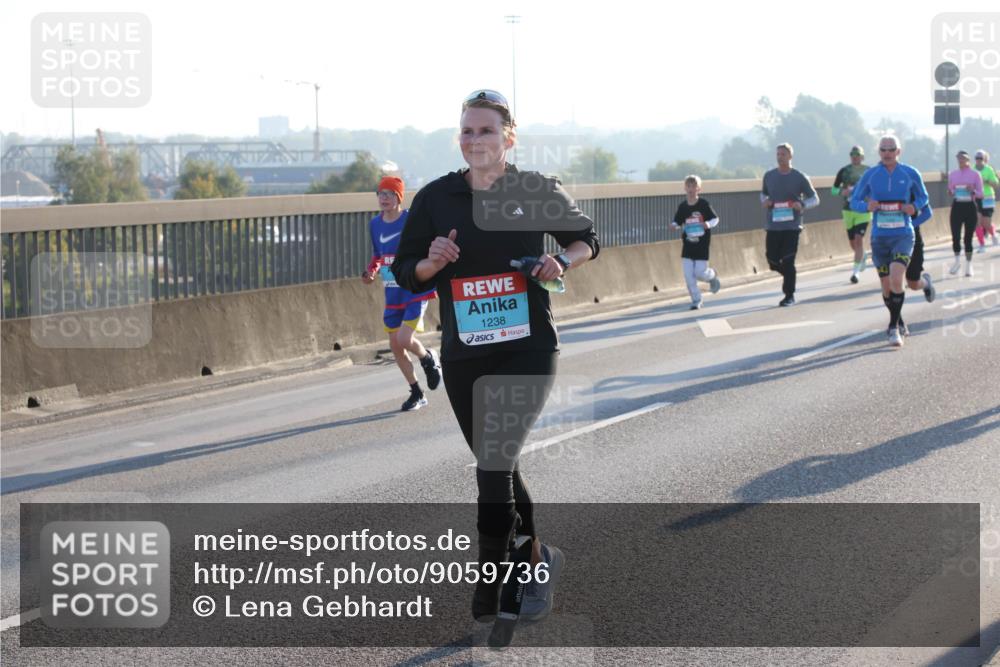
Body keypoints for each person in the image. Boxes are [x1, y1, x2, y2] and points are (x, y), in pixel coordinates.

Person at [391, 90, 598, 637]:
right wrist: (430, 263)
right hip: (466, 353)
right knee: (497, 465)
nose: (474, 140)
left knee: (494, 463)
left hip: (528, 348)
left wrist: (560, 260)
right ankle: (537, 559)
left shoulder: (536, 189)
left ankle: (491, 583)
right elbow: (404, 270)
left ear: (509, 137)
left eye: (485, 130)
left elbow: (586, 240)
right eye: (467, 130)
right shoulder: (436, 197)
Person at [362, 176, 441, 411]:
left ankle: (427, 358)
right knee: (396, 346)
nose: (384, 198)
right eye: (381, 193)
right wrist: (371, 271)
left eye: (389, 193)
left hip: (414, 288)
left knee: (404, 339)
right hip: (392, 291)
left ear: (399, 197)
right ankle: (417, 392)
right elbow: (378, 255)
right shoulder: (374, 224)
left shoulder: (410, 219)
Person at [850, 134, 929, 348]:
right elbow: (854, 200)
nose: (887, 153)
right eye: (883, 149)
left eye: (891, 149)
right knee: (886, 286)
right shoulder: (871, 175)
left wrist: (914, 207)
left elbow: (924, 197)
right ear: (879, 152)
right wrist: (866, 206)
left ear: (898, 152)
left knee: (896, 278)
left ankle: (893, 328)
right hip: (880, 238)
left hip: (903, 234)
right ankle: (899, 319)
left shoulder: (910, 173)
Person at [761, 143, 820, 306]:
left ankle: (789, 295)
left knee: (788, 261)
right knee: (772, 261)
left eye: (783, 154)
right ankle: (789, 274)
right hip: (773, 226)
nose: (780, 157)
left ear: (790, 156)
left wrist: (802, 204)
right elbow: (763, 195)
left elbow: (815, 198)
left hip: (792, 227)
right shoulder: (769, 176)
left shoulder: (800, 177)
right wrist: (765, 202)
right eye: (778, 154)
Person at [670, 174, 721, 309]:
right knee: (688, 276)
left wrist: (707, 224)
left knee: (700, 273)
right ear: (685, 188)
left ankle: (712, 275)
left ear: (699, 189)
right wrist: (674, 226)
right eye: (688, 186)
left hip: (702, 245)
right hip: (687, 245)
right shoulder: (683, 206)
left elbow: (715, 219)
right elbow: (677, 221)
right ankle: (696, 300)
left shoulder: (704, 204)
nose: (691, 189)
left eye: (694, 186)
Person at [831, 146, 872, 283]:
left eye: (857, 154)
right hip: (848, 210)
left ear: (862, 157)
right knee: (853, 243)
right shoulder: (844, 171)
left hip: (863, 210)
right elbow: (833, 190)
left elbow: (875, 188)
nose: (855, 157)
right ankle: (862, 256)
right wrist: (842, 192)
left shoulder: (869, 171)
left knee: (859, 240)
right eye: (852, 154)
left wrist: (870, 198)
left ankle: (855, 273)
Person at [899, 203, 937, 337]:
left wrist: (909, 225)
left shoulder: (913, 189)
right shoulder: (878, 189)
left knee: (913, 283)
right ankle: (898, 323)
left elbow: (928, 212)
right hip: (887, 239)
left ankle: (926, 283)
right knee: (893, 281)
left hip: (912, 238)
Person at [947, 150, 984, 277]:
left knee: (968, 238)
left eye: (963, 158)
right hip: (957, 206)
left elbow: (981, 194)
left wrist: (972, 190)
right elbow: (951, 189)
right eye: (959, 158)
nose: (961, 160)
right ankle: (957, 261)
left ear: (968, 160)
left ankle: (968, 265)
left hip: (970, 207)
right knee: (955, 236)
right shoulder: (953, 174)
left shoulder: (975, 175)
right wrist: (951, 192)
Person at [974, 149, 998, 251]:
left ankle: (993, 235)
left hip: (988, 197)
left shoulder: (989, 170)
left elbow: (996, 184)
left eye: (980, 158)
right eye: (977, 158)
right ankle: (982, 244)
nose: (978, 160)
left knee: (986, 223)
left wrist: (987, 181)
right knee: (977, 222)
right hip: (976, 198)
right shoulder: (972, 170)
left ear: (984, 159)